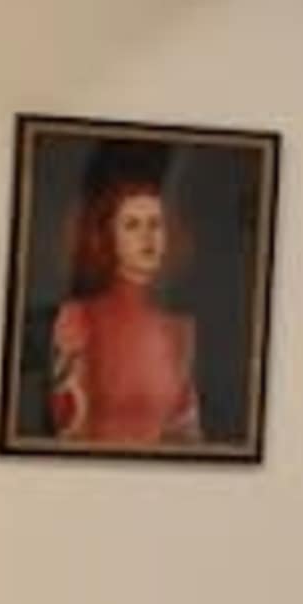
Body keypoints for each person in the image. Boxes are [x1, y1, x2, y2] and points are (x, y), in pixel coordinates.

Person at [46, 160, 206, 449]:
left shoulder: (179, 331)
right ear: (109, 237)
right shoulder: (78, 317)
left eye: (156, 224)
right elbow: (67, 434)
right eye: (132, 225)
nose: (148, 237)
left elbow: (187, 441)